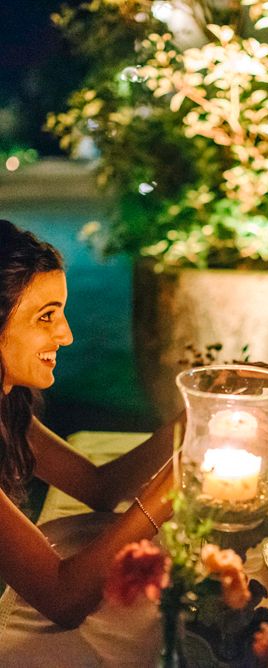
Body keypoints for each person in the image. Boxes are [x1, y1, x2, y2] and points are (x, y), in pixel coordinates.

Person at [0, 220, 176, 629]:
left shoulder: (8, 404)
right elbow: (62, 598)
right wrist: (171, 493)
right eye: (46, 317)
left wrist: (196, 419)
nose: (66, 335)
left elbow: (98, 487)